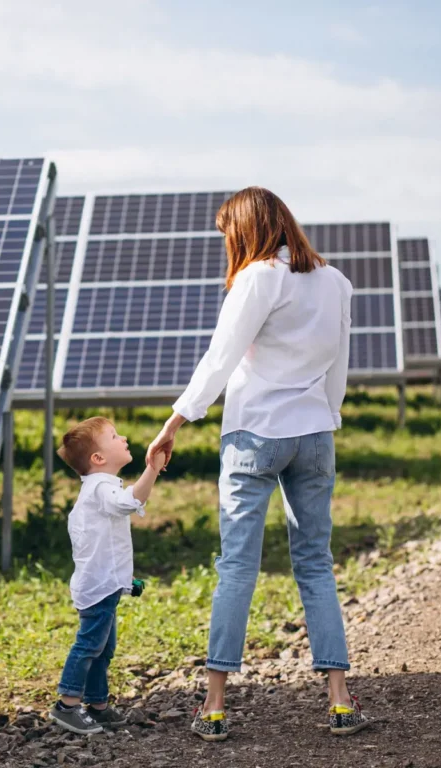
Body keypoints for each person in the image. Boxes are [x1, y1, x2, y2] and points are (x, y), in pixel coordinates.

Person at [146, 187, 370, 741]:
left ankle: (215, 706)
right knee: (316, 563)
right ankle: (341, 700)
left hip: (254, 435)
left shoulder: (258, 277)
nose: (227, 243)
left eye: (229, 233)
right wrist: (329, 413)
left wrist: (176, 421)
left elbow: (221, 355)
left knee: (238, 567)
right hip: (315, 434)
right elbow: (339, 362)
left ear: (246, 230)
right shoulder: (336, 282)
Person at [49, 416, 166, 735]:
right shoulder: (100, 488)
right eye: (115, 436)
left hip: (106, 586)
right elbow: (130, 503)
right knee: (89, 646)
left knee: (103, 648)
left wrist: (126, 583)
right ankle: (67, 705)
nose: (124, 438)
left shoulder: (100, 488)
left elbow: (107, 545)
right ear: (98, 458)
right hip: (98, 589)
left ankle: (97, 704)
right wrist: (152, 470)